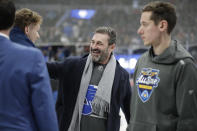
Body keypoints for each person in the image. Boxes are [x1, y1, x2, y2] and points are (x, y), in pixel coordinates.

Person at [127, 1, 197, 131]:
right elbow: (135, 113)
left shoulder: (184, 66)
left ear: (162, 25)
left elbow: (188, 122)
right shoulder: (142, 61)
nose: (139, 31)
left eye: (144, 24)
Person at [47, 26, 131, 131]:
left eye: (99, 43)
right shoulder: (73, 66)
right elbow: (47, 69)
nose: (94, 47)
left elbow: (130, 111)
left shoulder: (121, 76)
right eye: (93, 42)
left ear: (112, 47)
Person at [0, 0, 59, 130]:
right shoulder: (32, 57)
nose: (38, 36)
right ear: (27, 29)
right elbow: (44, 109)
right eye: (37, 31)